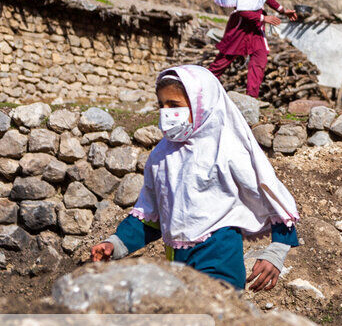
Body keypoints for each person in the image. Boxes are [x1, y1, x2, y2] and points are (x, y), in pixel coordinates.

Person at [90, 65, 300, 291]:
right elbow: (152, 214)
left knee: (212, 318)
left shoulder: (226, 150)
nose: (166, 112)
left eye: (175, 105)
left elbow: (267, 192)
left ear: (202, 106)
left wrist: (278, 248)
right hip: (177, 263)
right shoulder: (161, 156)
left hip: (219, 259)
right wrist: (116, 243)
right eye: (162, 105)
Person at [208, 0, 298, 98]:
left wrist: (282, 10)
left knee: (260, 58)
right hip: (241, 26)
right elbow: (242, 10)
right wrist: (264, 18)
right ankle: (201, 88)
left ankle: (251, 98)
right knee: (223, 61)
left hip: (256, 26)